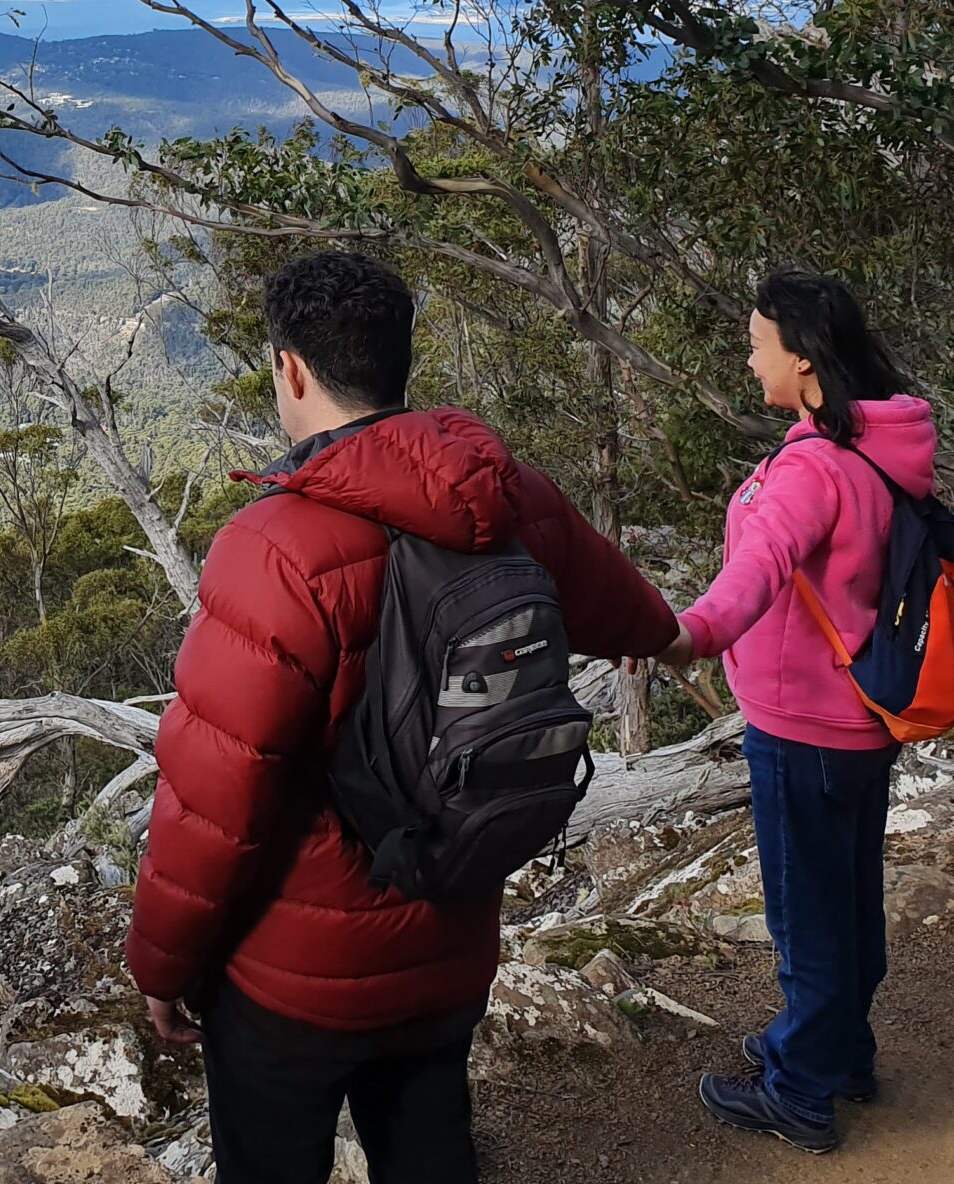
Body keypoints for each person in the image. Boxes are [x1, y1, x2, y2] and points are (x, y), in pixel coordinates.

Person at [125, 251, 679, 1184]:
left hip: (292, 980)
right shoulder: (513, 496)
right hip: (454, 930)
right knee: (430, 1152)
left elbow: (214, 806)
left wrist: (162, 966)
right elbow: (645, 622)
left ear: (290, 368)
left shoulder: (273, 550)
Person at [658, 271, 932, 1154]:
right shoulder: (880, 447)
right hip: (862, 720)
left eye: (757, 343)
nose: (749, 359)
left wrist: (690, 633)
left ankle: (800, 1093)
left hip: (800, 726)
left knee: (805, 918)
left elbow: (761, 564)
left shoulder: (815, 466)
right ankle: (841, 1051)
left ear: (805, 360)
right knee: (849, 902)